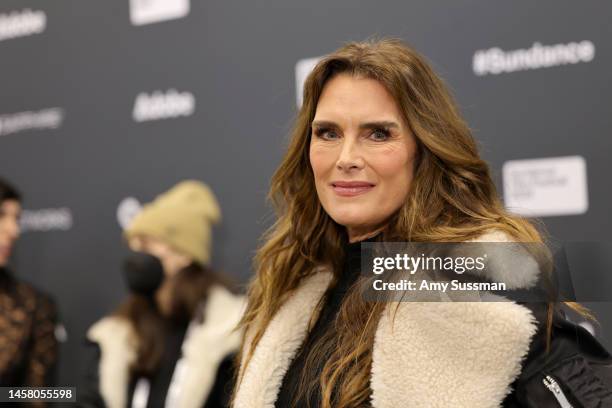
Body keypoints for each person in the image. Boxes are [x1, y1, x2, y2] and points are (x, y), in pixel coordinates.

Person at [232, 39, 612, 407]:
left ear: (425, 150)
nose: (346, 157)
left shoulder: (475, 279)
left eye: (378, 133)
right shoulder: (296, 279)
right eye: (328, 133)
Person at [81, 180, 245, 408]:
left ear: (185, 254)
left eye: (147, 243)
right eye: (134, 245)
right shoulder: (118, 334)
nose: (137, 254)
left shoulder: (228, 333)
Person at [0, 177, 59, 389]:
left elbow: (43, 395)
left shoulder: (34, 306)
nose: (13, 231)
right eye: (1, 216)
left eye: (17, 219)